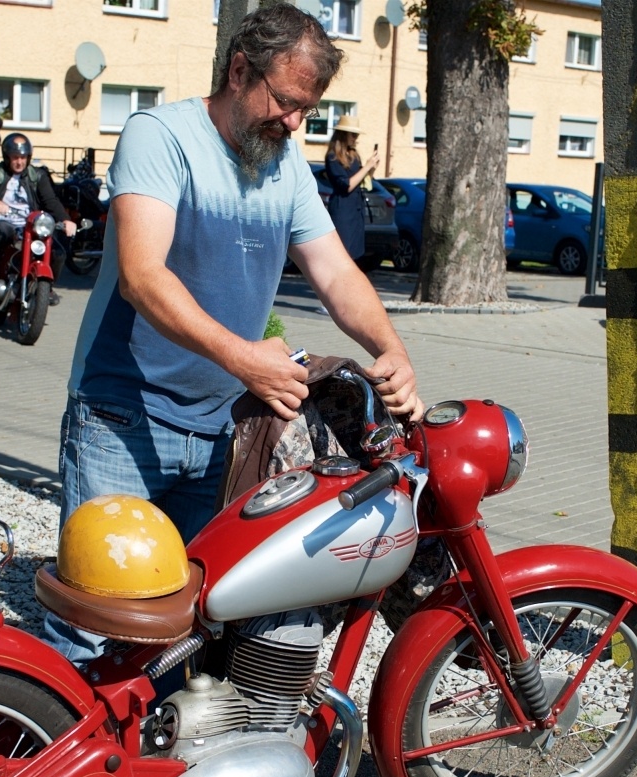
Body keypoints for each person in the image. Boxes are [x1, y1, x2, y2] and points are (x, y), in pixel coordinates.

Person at [45, 4, 421, 660]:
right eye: (285, 100)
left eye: (308, 109)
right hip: (121, 417)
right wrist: (247, 360)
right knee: (96, 623)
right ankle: (46, 750)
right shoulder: (160, 136)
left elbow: (336, 273)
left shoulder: (287, 170)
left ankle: (144, 763)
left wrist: (390, 349)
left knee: (184, 630)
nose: (295, 121)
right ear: (239, 70)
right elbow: (141, 274)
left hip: (221, 431)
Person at [0, 133, 75, 295]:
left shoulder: (38, 175)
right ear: (7, 157)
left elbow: (50, 200)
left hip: (32, 223)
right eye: (15, 157)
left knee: (58, 251)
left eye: (23, 157)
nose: (19, 162)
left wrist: (65, 220)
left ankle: (46, 286)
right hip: (5, 220)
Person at [320, 120, 378, 262]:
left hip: (356, 209)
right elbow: (346, 185)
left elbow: (361, 181)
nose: (355, 138)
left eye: (356, 135)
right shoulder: (333, 157)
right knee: (342, 253)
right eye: (353, 135)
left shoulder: (353, 155)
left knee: (355, 254)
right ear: (343, 134)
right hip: (342, 210)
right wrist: (366, 167)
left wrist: (371, 169)